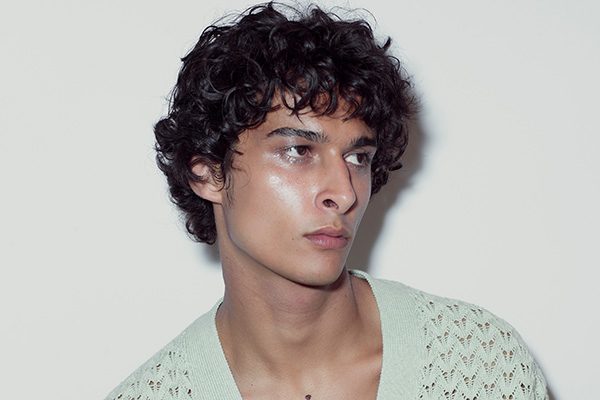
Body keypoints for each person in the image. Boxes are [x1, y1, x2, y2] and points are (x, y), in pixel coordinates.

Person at [105, 2, 547, 399]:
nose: (345, 191)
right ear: (206, 174)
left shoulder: (482, 364)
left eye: (357, 157)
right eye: (298, 151)